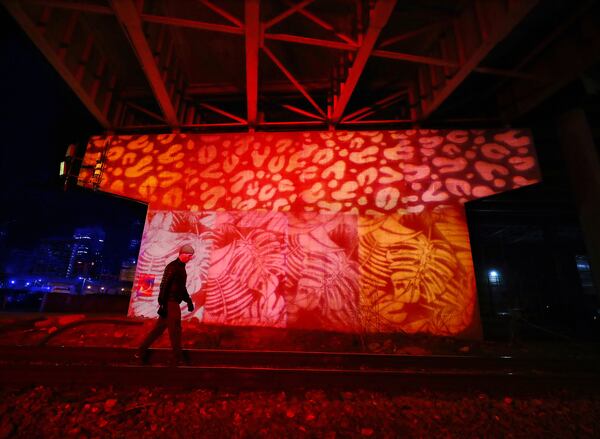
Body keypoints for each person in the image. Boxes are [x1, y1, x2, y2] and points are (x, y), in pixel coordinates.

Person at [135, 244, 195, 365]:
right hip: (171, 303)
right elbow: (164, 284)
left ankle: (139, 352)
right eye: (189, 256)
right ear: (182, 254)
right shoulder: (173, 267)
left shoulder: (181, 268)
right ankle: (178, 358)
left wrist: (188, 301)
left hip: (171, 303)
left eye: (191, 256)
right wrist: (162, 303)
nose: (190, 258)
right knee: (176, 330)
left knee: (158, 330)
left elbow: (181, 288)